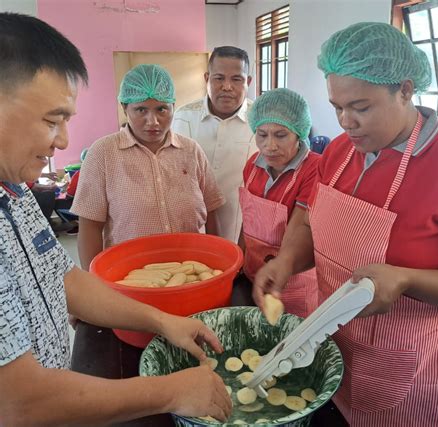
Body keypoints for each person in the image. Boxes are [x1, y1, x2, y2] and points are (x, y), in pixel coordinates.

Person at [0, 12, 231, 425]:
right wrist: (172, 391)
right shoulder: (104, 154)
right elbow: (19, 403)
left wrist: (161, 320)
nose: (65, 141)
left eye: (66, 119)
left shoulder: (13, 192)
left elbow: (64, 277)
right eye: (52, 120)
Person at [254, 22, 438, 427]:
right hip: (333, 347)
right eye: (337, 107)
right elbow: (309, 221)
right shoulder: (339, 152)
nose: (345, 122)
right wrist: (286, 261)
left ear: (405, 90)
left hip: (416, 364)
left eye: (360, 107)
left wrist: (407, 280)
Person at [71, 64, 225, 271]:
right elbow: (90, 225)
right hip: (129, 276)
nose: (152, 121)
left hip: (191, 272)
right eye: (141, 110)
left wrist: (218, 263)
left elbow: (212, 210)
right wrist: (95, 282)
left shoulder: (191, 151)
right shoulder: (104, 153)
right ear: (125, 108)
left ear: (173, 107)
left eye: (161, 109)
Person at [239, 88, 320, 317]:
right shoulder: (252, 167)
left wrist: (280, 268)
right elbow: (248, 222)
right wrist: (238, 258)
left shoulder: (315, 169)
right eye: (262, 135)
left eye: (281, 135)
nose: (270, 146)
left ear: (299, 133)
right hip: (253, 274)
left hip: (294, 281)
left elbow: (299, 227)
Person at [172, 46, 257, 243]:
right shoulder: (183, 117)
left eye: (236, 79)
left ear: (248, 82)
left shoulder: (261, 121)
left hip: (244, 234)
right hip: (190, 231)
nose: (227, 87)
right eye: (219, 78)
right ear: (207, 78)